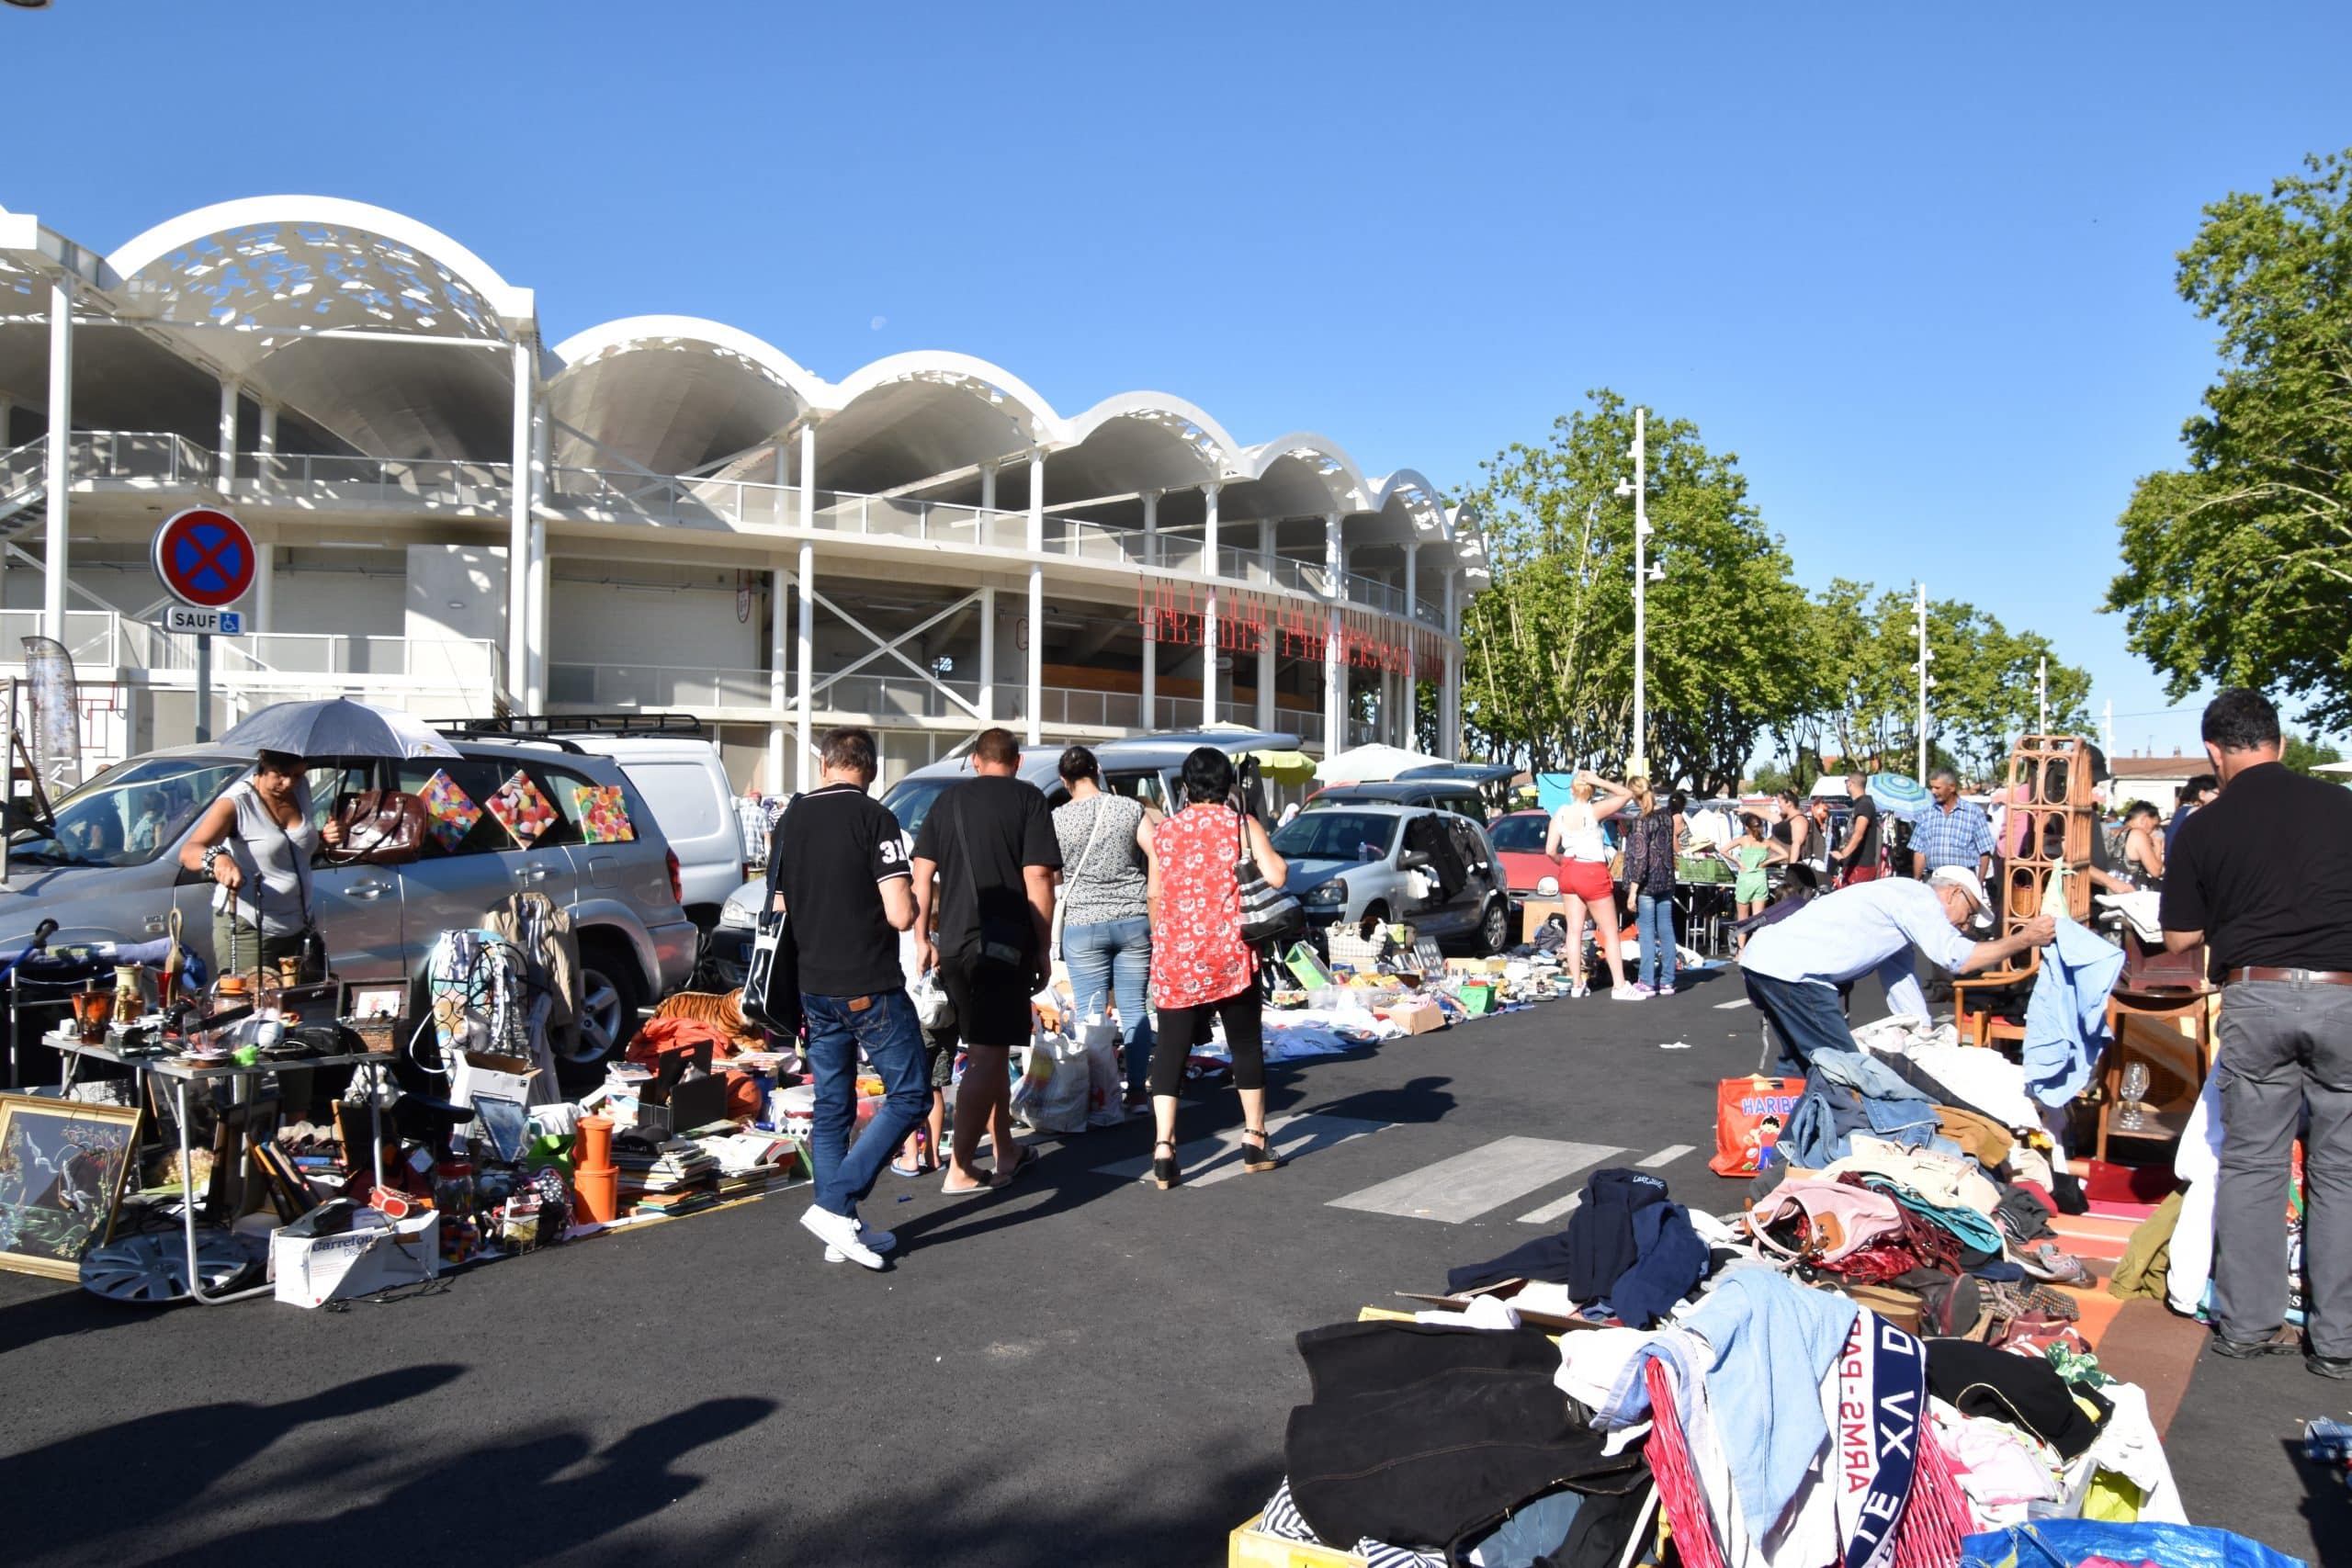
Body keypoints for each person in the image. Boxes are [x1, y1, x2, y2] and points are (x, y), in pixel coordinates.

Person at [2159, 688, 2352, 1376]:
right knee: (2342, 1170)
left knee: (2253, 1163)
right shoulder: (2343, 805)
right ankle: (2337, 1341)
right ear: (2283, 741)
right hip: (2343, 994)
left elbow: (2179, 934)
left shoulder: (2205, 825)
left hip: (2256, 993)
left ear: (2214, 752)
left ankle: (2246, 1326)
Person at [764, 728, 926, 1268]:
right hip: (869, 983)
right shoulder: (875, 819)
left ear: (825, 766)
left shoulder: (790, 820)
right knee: (910, 1095)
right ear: (871, 770)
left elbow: (781, 904)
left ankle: (841, 1226)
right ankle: (836, 1206)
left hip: (813, 983)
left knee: (832, 1108)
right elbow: (900, 913)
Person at [911, 728, 1060, 1194]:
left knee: (985, 1050)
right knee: (986, 1056)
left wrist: (922, 938)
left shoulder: (946, 801)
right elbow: (1038, 876)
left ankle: (1005, 1150)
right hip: (1002, 945)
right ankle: (960, 1168)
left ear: (975, 760)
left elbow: (921, 874)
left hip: (952, 945)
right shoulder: (1029, 799)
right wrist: (1041, 945)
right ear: (1016, 762)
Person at [1740, 866, 2055, 1075]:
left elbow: (1902, 985)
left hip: (1766, 961)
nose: (1966, 925)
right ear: (1953, 892)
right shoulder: (1920, 900)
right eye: (1969, 913)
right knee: (1843, 1069)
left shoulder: (1900, 905)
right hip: (1795, 974)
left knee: (1799, 1062)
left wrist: (1925, 1037)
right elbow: (1956, 958)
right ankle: (1814, 1149)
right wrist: (2023, 940)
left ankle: (1778, 1143)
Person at [1142, 747, 1287, 1189]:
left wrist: (1168, 938)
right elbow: (1278, 875)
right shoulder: (1241, 826)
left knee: (1170, 1049)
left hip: (1176, 955)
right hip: (1229, 955)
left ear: (1186, 786)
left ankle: (1164, 1150)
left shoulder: (1164, 832)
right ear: (1229, 786)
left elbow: (1155, 894)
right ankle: (1255, 1139)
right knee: (1244, 1044)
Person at [1051, 746, 1160, 1111]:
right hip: (1132, 918)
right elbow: (1156, 853)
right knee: (1134, 1008)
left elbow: (1051, 872)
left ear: (1065, 781)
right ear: (1097, 771)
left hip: (1083, 924)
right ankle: (1138, 1095)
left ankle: (1102, 1096)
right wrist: (1152, 898)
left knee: (1091, 1013)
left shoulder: (1057, 819)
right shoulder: (1129, 808)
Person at [181, 750, 345, 976]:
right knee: (253, 1006)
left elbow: (294, 847)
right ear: (264, 763)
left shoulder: (301, 789)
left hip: (300, 923)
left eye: (298, 775)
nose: (289, 783)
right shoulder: (236, 802)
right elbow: (190, 851)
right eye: (280, 774)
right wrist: (217, 858)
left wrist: (326, 838)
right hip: (250, 927)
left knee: (301, 1004)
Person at [1544, 770, 1640, 999]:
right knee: (1609, 931)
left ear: (1571, 790)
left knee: (1574, 931)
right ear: (1591, 790)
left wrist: (1564, 862)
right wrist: (1598, 780)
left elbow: (1549, 850)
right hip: (1592, 870)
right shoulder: (1593, 810)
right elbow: (1626, 793)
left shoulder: (1560, 813)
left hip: (1569, 869)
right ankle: (1619, 986)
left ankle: (1577, 983)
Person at [1622, 782, 1687, 997]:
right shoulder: (1667, 816)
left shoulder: (1642, 820)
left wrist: (1633, 891)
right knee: (1666, 929)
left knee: (1647, 931)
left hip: (1647, 884)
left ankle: (1647, 980)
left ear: (1634, 796)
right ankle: (1667, 979)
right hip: (1665, 878)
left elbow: (1641, 858)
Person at [1911, 768, 1995, 883]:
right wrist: (1916, 880)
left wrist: (1978, 883)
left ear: (1952, 787)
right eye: (1932, 787)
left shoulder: (1974, 813)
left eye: (1937, 788)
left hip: (1963, 881)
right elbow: (1919, 851)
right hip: (1933, 878)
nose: (1933, 792)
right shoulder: (1926, 814)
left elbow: (1985, 852)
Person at [1728, 813, 1771, 954]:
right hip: (1760, 879)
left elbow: (1723, 849)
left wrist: (1738, 862)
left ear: (1747, 828)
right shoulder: (1766, 842)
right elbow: (1785, 854)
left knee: (1742, 918)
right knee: (1758, 919)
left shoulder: (1744, 840)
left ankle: (1741, 950)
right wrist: (1766, 862)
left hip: (1745, 880)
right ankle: (1756, 949)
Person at [1766, 788, 1821, 893]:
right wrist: (1748, 809)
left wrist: (1791, 870)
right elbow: (1768, 816)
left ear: (1789, 803)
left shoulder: (1799, 820)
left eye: (1780, 802)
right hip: (1776, 866)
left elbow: (1797, 844)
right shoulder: (1786, 818)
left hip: (1788, 867)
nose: (1778, 805)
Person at [1836, 773, 1881, 886]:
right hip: (1855, 866)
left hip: (1861, 866)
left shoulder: (1864, 805)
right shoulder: (1861, 804)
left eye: (1846, 782)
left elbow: (1859, 833)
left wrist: (1843, 854)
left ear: (1850, 783)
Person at [2167, 773, 2218, 860]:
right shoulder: (2197, 813)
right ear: (2202, 794)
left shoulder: (2181, 811)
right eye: (2217, 793)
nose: (2220, 797)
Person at [2117, 800, 2165, 888]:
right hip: (2129, 893)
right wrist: (2158, 846)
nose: (2154, 830)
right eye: (2154, 826)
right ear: (2144, 820)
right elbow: (2156, 871)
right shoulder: (2138, 835)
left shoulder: (2114, 831)